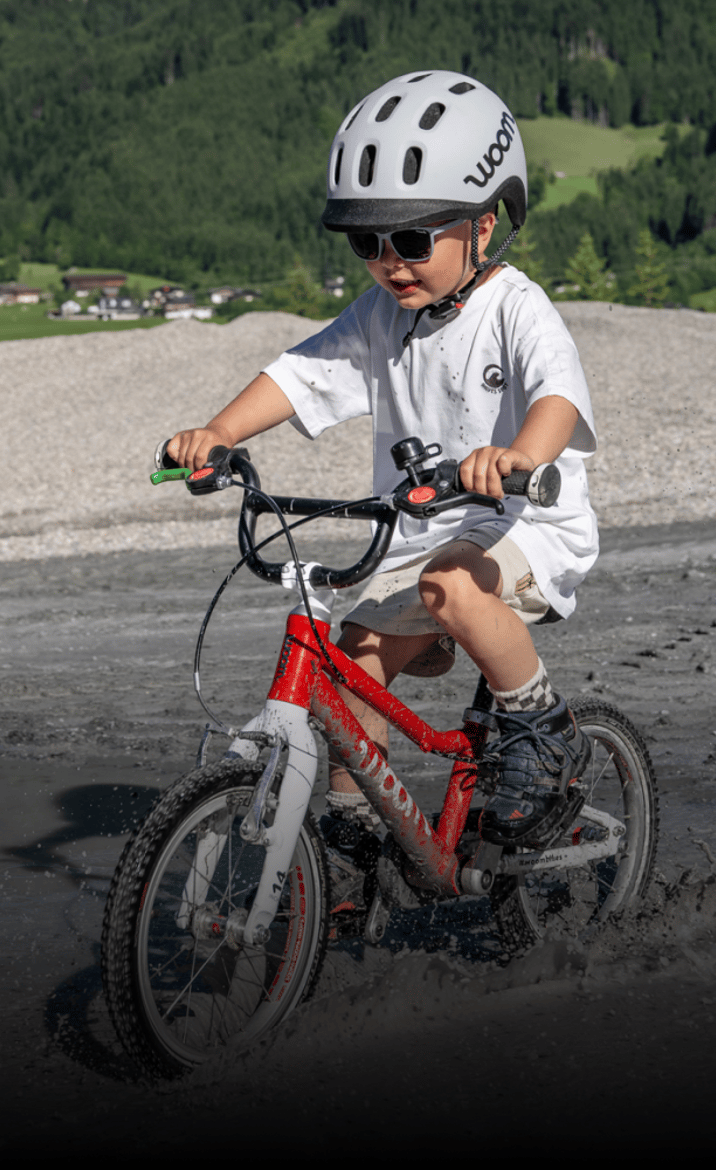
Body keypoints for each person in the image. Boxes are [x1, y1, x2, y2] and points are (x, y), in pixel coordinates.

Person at [167, 70, 597, 858]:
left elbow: (556, 396)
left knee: (452, 585)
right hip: (414, 533)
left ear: (485, 219)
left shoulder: (515, 308)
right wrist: (219, 431)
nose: (389, 263)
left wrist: (520, 455)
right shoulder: (378, 317)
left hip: (523, 521)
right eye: (367, 243)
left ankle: (541, 728)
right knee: (349, 671)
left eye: (410, 240)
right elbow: (300, 375)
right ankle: (352, 839)